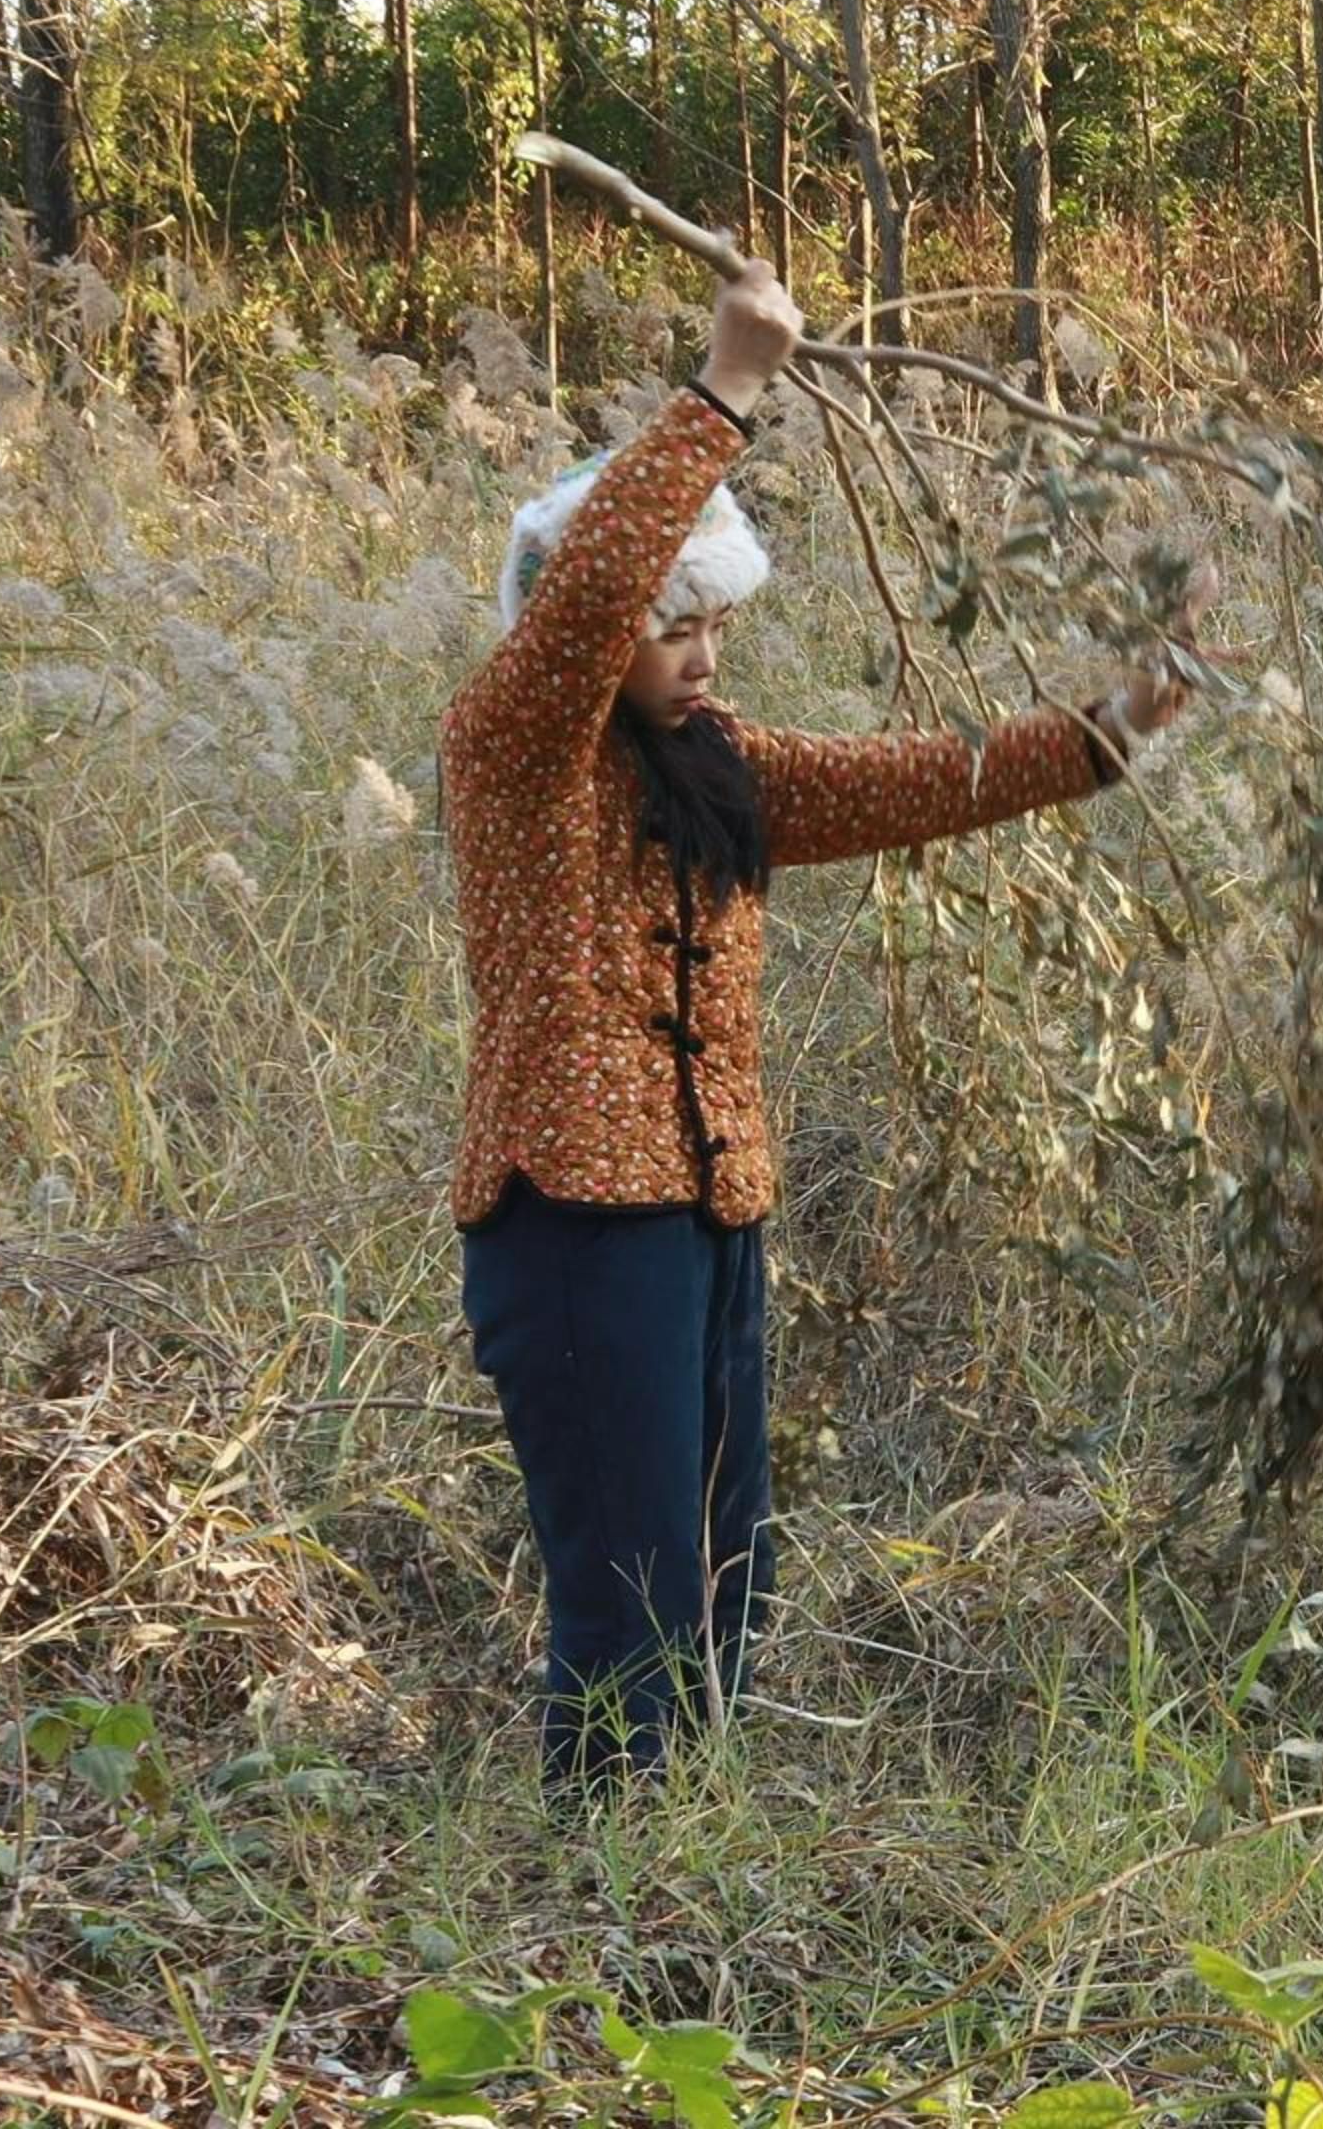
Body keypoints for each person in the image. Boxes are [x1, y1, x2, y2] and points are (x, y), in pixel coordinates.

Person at [440, 263, 1196, 1786]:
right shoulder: (512, 742)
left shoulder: (715, 766)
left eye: (708, 617)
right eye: (667, 624)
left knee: (727, 1565)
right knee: (632, 1586)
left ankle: (681, 1849)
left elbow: (918, 779)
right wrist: (721, 391)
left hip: (707, 1212)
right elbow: (589, 593)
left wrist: (1109, 734)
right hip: (575, 1222)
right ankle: (599, 1875)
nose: (694, 647)